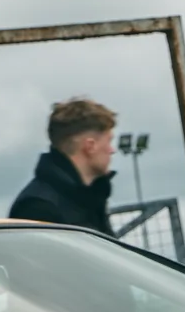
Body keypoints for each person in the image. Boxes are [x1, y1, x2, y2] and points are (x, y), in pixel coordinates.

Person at [8, 98, 117, 234]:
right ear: (90, 146)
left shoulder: (90, 200)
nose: (112, 150)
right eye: (109, 141)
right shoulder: (37, 207)